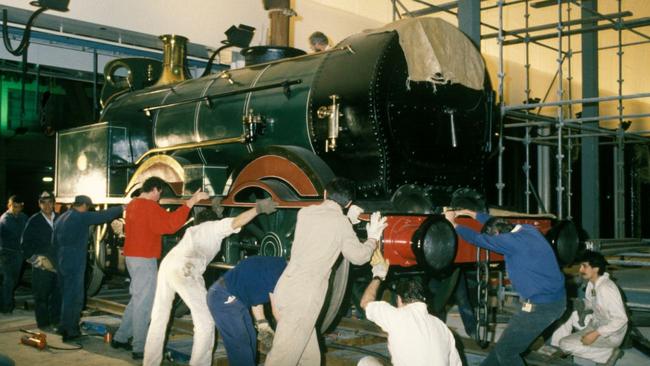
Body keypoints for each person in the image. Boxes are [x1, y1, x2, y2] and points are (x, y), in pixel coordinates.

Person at [265, 177, 387, 366]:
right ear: (348, 203)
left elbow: (325, 229)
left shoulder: (305, 213)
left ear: (324, 194)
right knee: (281, 359)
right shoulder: (340, 223)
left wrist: (346, 219)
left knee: (310, 358)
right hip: (304, 298)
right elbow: (358, 256)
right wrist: (372, 238)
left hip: (286, 287)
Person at [143, 199, 278, 366]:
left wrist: (216, 211)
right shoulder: (214, 227)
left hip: (168, 264)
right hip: (186, 268)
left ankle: (150, 362)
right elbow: (237, 221)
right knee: (205, 322)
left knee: (159, 317)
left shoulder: (195, 228)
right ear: (214, 220)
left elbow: (212, 225)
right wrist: (258, 209)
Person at [444, 209, 566, 366]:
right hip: (553, 302)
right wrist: (471, 213)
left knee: (507, 352)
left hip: (541, 307)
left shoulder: (510, 242)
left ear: (497, 234)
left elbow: (476, 239)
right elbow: (497, 222)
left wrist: (453, 224)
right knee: (502, 348)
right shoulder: (527, 230)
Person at [112, 176, 208, 359]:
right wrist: (189, 204)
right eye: (160, 193)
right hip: (144, 258)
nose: (159, 197)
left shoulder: (133, 204)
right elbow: (170, 225)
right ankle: (139, 347)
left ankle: (121, 337)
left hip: (132, 257)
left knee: (137, 299)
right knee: (145, 303)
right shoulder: (149, 206)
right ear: (155, 189)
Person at [358, 255, 462, 366]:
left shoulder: (397, 317)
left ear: (399, 299)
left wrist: (378, 276)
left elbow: (365, 302)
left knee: (366, 362)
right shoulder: (442, 327)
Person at [54, 195, 123, 341]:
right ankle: (71, 330)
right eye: (88, 207)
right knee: (75, 296)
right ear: (84, 206)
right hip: (74, 259)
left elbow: (53, 241)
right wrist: (121, 208)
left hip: (61, 258)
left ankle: (63, 326)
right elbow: (103, 215)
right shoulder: (81, 217)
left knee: (66, 294)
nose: (88, 210)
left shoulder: (62, 217)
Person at [207, 255, 286, 366]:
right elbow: (277, 311)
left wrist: (263, 325)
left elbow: (255, 295)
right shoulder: (279, 272)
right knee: (241, 347)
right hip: (223, 296)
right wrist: (286, 337)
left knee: (250, 341)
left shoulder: (275, 266)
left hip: (238, 300)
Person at [550, 251, 627, 364]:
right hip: (596, 322)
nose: (580, 270)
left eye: (584, 266)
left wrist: (595, 334)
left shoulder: (606, 289)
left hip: (611, 334)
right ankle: (557, 349)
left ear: (595, 269)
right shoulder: (592, 283)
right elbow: (593, 303)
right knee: (566, 312)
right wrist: (580, 304)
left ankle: (607, 354)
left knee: (565, 344)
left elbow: (621, 319)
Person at [20, 191, 60, 330]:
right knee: (41, 296)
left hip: (58, 264)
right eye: (44, 202)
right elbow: (25, 245)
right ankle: (43, 324)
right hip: (42, 266)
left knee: (57, 295)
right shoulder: (34, 221)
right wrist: (37, 261)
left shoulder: (60, 219)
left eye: (50, 201)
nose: (47, 205)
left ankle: (56, 321)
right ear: (39, 204)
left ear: (54, 203)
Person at [0, 195, 27, 313]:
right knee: (8, 280)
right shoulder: (6, 218)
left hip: (18, 253)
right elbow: (20, 232)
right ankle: (6, 307)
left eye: (19, 207)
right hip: (6, 253)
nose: (16, 209)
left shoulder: (23, 217)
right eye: (14, 207)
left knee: (14, 280)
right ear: (9, 206)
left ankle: (5, 302)